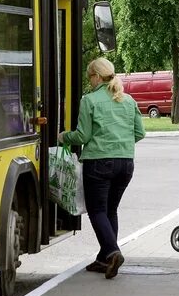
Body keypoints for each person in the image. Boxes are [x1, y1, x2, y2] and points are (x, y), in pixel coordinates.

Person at [58, 57, 145, 279]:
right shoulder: (128, 100)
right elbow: (140, 133)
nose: (90, 81)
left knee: (97, 211)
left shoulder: (89, 100)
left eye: (90, 77)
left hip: (98, 162)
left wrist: (63, 137)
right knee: (110, 210)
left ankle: (113, 252)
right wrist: (120, 145)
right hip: (125, 163)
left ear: (96, 76)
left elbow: (83, 135)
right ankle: (103, 258)